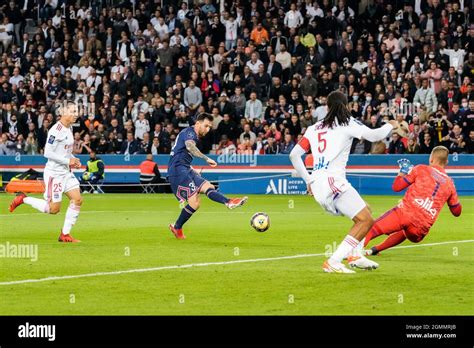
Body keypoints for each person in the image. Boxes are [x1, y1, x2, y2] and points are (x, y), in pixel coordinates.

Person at [289, 91, 398, 273]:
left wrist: (308, 179)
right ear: (345, 106)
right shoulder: (347, 123)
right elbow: (374, 136)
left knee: (366, 211)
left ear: (328, 108)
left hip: (319, 183)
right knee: (365, 220)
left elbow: (294, 155)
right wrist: (391, 125)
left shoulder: (313, 128)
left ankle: (355, 255)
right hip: (332, 181)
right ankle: (334, 261)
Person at [364, 147, 462, 256]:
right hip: (420, 230)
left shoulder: (421, 169)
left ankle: (351, 253)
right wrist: (453, 197)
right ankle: (375, 250)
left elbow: (396, 187)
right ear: (446, 162)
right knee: (405, 231)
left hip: (406, 214)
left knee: (371, 228)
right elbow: (457, 212)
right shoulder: (450, 184)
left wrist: (402, 172)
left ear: (431, 159)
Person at [9, 102, 83, 243]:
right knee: (54, 209)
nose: (76, 114)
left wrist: (74, 159)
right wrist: (68, 161)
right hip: (55, 174)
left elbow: (65, 152)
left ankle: (65, 234)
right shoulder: (56, 130)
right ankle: (23, 198)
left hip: (66, 173)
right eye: (73, 111)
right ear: (63, 112)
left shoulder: (70, 128)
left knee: (78, 199)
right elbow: (48, 153)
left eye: (76, 111)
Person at [167, 113, 248, 239]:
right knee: (195, 203)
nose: (207, 129)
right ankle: (177, 227)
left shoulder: (193, 135)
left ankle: (228, 202)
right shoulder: (189, 132)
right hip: (177, 170)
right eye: (206, 126)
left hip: (185, 168)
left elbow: (180, 153)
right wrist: (206, 158)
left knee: (208, 186)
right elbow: (190, 147)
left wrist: (192, 169)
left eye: (209, 127)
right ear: (198, 123)